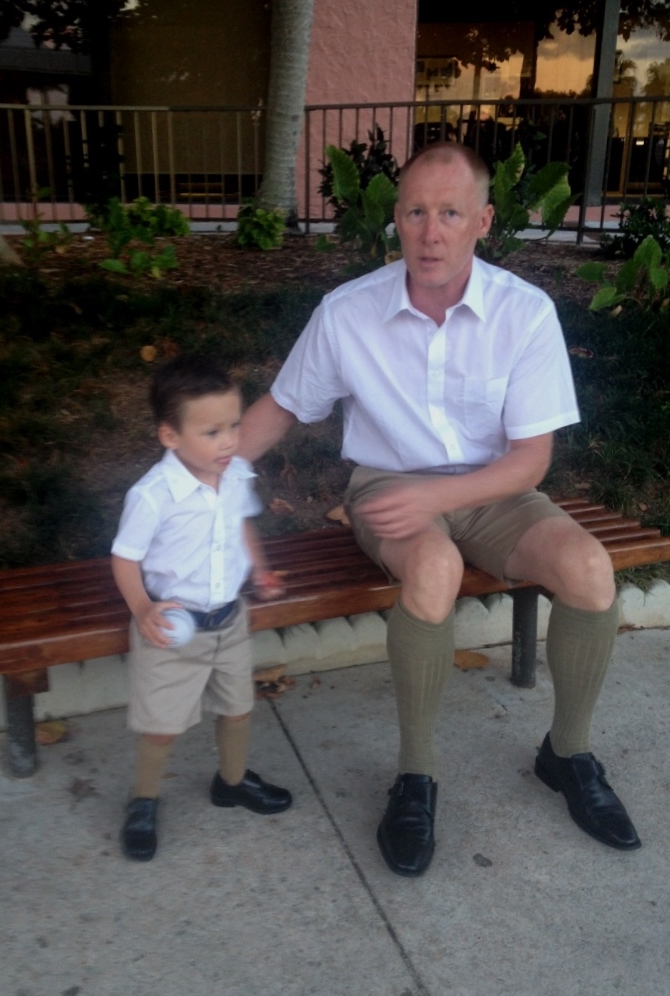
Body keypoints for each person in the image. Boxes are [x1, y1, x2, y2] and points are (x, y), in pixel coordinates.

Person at [239, 142, 641, 877]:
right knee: (433, 567)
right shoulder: (348, 313)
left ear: (482, 221)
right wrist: (195, 478)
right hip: (387, 489)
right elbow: (283, 406)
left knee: (589, 568)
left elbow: (530, 461)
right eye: (416, 212)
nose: (431, 233)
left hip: (496, 491)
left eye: (450, 213)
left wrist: (439, 494)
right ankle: (416, 775)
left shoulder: (524, 313)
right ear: (395, 219)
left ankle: (567, 754)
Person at [112, 355, 292, 862]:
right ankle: (144, 800)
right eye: (212, 432)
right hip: (173, 628)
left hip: (229, 619)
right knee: (162, 725)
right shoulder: (154, 495)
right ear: (170, 436)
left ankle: (231, 782)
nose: (229, 441)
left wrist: (259, 571)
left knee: (238, 709)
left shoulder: (234, 476)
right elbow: (125, 558)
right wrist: (142, 608)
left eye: (234, 426)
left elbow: (241, 525)